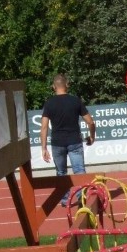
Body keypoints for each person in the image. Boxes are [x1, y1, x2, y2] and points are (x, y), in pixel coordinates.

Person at [39, 74, 96, 205]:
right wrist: (92, 136)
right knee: (79, 170)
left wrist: (44, 148)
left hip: (57, 143)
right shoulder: (75, 101)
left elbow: (44, 127)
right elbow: (90, 122)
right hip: (74, 141)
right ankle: (82, 197)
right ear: (67, 85)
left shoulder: (49, 103)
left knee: (61, 172)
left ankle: (65, 200)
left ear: (53, 87)